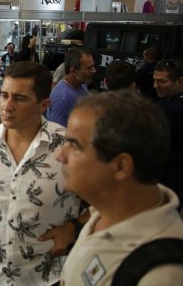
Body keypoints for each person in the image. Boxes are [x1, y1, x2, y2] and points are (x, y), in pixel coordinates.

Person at [0, 61, 84, 286]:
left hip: (43, 276)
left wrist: (74, 227)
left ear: (43, 104)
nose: (7, 106)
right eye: (4, 95)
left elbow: (108, 203)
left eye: (19, 98)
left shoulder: (67, 147)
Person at [58, 91, 183, 285]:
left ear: (121, 166)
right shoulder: (106, 210)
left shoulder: (160, 274)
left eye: (74, 146)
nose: (60, 155)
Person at [153, 59, 183, 205]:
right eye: (155, 81)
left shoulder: (167, 109)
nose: (155, 86)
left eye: (162, 81)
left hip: (169, 180)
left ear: (180, 82)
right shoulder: (167, 103)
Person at [47, 47, 95, 127]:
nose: (94, 70)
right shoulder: (63, 98)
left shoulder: (82, 84)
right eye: (89, 68)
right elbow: (58, 134)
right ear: (73, 71)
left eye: (92, 66)